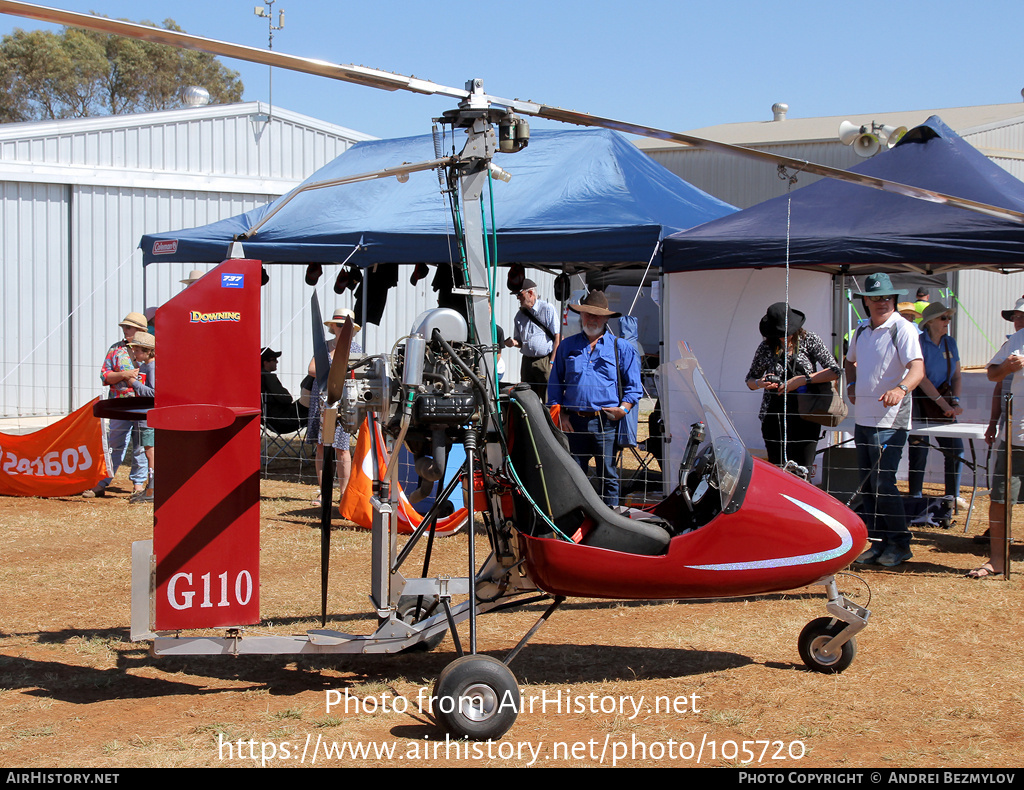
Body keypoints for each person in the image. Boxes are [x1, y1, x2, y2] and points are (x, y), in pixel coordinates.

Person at [845, 273, 924, 568]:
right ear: (866, 301)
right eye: (876, 298)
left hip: (891, 420)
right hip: (864, 417)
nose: (882, 302)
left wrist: (901, 389)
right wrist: (851, 386)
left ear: (895, 299)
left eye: (887, 297)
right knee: (869, 485)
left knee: (883, 482)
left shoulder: (903, 328)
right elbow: (848, 360)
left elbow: (917, 368)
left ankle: (899, 544)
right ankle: (879, 543)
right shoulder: (862, 329)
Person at [547, 290, 641, 508]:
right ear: (581, 316)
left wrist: (624, 410)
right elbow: (554, 384)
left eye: (597, 315)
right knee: (574, 473)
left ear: (607, 318)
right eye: (588, 314)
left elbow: (634, 387)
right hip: (574, 422)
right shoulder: (567, 347)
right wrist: (560, 412)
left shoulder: (621, 348)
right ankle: (578, 518)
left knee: (608, 474)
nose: (592, 319)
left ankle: (612, 520)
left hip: (606, 422)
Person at [745, 302, 841, 470]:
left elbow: (834, 371)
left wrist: (803, 380)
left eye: (786, 333)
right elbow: (750, 381)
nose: (783, 337)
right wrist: (761, 383)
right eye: (778, 333)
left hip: (807, 414)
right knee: (777, 467)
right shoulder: (766, 347)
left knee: (803, 467)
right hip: (774, 417)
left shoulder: (809, 340)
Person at [971, 298, 1024, 578]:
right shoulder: (1016, 340)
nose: (1019, 319)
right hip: (1015, 437)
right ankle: (997, 562)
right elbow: (993, 375)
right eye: (1017, 315)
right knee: (1000, 499)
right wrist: (1008, 368)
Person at [83, 312, 150, 498]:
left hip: (143, 405)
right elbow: (105, 376)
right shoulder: (115, 349)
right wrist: (124, 375)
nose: (125, 330)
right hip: (120, 405)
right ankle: (102, 482)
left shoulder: (150, 348)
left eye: (128, 327)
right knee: (115, 445)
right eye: (124, 327)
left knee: (141, 445)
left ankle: (138, 484)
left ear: (140, 330)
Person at [907, 302, 964, 503]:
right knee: (919, 450)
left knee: (956, 450)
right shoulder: (918, 342)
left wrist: (954, 402)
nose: (948, 321)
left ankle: (952, 497)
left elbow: (957, 376)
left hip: (944, 401)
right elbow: (920, 378)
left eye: (949, 317)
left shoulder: (951, 343)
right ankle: (915, 498)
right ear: (930, 322)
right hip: (919, 401)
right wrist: (945, 405)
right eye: (943, 318)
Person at [307, 308, 363, 509]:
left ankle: (345, 493)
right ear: (332, 327)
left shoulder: (356, 349)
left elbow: (356, 374)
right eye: (337, 325)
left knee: (342, 448)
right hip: (320, 400)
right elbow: (311, 369)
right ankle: (324, 492)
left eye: (344, 326)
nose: (339, 329)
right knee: (321, 447)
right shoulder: (324, 347)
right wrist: (336, 371)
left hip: (342, 401)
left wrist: (329, 372)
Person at [505, 279, 559, 397]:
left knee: (547, 398)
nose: (518, 298)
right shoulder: (519, 316)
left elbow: (557, 337)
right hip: (527, 362)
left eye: (520, 294)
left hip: (544, 360)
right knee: (527, 397)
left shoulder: (547, 309)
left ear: (530, 293)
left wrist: (552, 362)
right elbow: (520, 341)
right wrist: (513, 342)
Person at [126, 332, 156, 504]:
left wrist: (134, 383)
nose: (135, 354)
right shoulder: (146, 367)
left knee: (150, 452)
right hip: (145, 415)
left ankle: (152, 488)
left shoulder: (151, 368)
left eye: (137, 350)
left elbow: (153, 393)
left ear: (147, 351)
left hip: (149, 415)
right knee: (148, 450)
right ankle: (150, 487)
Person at [260, 347, 308, 434]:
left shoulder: (255, 380)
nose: (277, 362)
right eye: (274, 359)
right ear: (265, 362)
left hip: (268, 421)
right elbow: (287, 399)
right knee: (314, 407)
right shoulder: (269, 378)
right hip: (284, 420)